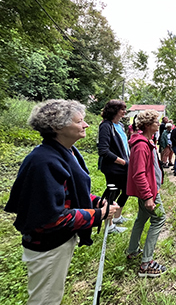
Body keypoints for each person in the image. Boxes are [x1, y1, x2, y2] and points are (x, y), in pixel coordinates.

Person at [4, 99, 119, 305]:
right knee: (45, 300)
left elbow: (71, 192)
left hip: (60, 242)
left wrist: (97, 201)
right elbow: (52, 219)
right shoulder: (43, 162)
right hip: (47, 247)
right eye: (79, 121)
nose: (86, 125)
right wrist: (100, 214)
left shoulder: (67, 152)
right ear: (57, 127)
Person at [126, 110, 167, 277]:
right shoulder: (141, 145)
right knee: (159, 218)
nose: (159, 124)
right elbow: (139, 174)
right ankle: (146, 264)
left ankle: (133, 250)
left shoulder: (145, 141)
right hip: (149, 192)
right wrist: (149, 196)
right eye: (156, 122)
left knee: (141, 218)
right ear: (149, 125)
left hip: (150, 189)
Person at [97, 99, 130, 233]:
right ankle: (109, 225)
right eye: (122, 109)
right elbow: (103, 151)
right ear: (114, 110)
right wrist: (123, 162)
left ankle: (117, 217)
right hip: (113, 167)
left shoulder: (120, 125)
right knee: (112, 194)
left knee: (127, 190)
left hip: (124, 166)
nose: (124, 111)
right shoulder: (106, 126)